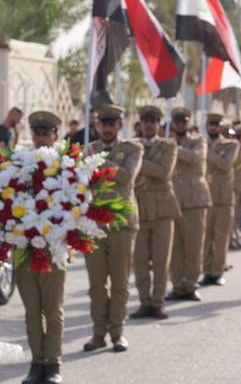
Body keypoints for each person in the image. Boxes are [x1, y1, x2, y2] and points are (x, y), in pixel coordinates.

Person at [83, 104, 143, 353]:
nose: (107, 128)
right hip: (94, 224)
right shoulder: (88, 150)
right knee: (97, 284)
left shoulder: (133, 148)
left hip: (122, 223)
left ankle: (117, 333)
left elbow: (126, 176)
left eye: (112, 123)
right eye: (103, 123)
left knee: (119, 282)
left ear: (120, 125)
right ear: (97, 125)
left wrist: (97, 165)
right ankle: (98, 334)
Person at [18, 111, 66, 384]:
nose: (40, 138)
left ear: (55, 136)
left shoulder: (65, 166)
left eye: (46, 132)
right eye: (36, 133)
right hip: (24, 244)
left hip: (54, 246)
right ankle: (37, 363)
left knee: (53, 309)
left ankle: (54, 364)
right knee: (32, 310)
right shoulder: (18, 164)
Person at [131, 106, 179, 320]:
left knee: (161, 260)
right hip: (139, 209)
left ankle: (157, 302)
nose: (148, 124)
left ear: (159, 124)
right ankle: (144, 301)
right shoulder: (132, 145)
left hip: (163, 210)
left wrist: (138, 159)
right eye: (145, 120)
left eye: (153, 120)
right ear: (140, 124)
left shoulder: (169, 145)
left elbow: (163, 172)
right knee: (140, 261)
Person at [166, 107, 212, 301]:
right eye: (177, 122)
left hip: (195, 199)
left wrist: (173, 148)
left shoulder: (198, 141)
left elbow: (195, 158)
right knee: (174, 246)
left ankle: (191, 284)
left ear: (188, 123)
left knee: (194, 245)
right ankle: (177, 284)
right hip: (172, 199)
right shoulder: (166, 143)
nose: (180, 125)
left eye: (183, 121)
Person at [201, 112, 240, 286]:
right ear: (207, 126)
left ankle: (217, 271)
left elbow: (226, 164)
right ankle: (207, 270)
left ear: (221, 127)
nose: (213, 128)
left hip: (224, 198)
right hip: (204, 197)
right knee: (206, 237)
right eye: (211, 125)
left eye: (216, 125)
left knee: (221, 237)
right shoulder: (200, 144)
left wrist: (206, 151)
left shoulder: (232, 144)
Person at [228, 125, 241, 250]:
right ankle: (231, 240)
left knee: (238, 215)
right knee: (233, 215)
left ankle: (235, 238)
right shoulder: (233, 146)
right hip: (234, 184)